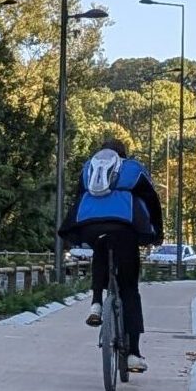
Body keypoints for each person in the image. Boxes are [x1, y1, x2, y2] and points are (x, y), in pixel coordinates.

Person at [61, 137, 162, 373]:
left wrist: (74, 233)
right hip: (124, 229)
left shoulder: (89, 168)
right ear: (123, 155)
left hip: (91, 226)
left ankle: (96, 303)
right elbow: (152, 200)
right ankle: (134, 354)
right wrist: (156, 233)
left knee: (100, 251)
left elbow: (77, 198)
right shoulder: (132, 169)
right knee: (129, 289)